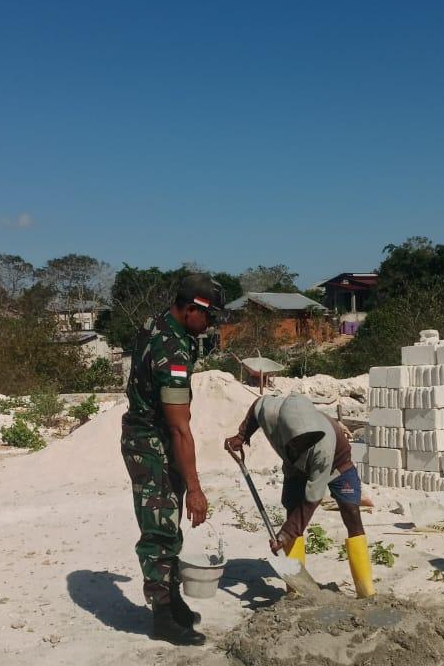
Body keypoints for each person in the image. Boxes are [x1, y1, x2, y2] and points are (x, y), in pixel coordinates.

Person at [121, 274, 225, 644]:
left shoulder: (158, 324)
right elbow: (180, 428)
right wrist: (195, 489)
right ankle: (162, 615)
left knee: (168, 520)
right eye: (208, 317)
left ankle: (173, 599)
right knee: (160, 528)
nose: (210, 325)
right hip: (152, 443)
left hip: (153, 436)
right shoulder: (173, 355)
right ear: (190, 309)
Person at [225, 393, 375, 597]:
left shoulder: (322, 448)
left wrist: (285, 534)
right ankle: (294, 591)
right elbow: (256, 407)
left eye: (308, 442)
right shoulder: (270, 413)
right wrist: (242, 435)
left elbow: (312, 499)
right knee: (292, 512)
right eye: (300, 443)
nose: (305, 447)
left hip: (337, 465)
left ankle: (366, 591)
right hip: (294, 467)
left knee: (351, 513)